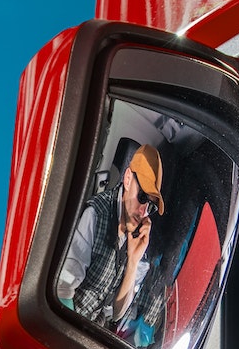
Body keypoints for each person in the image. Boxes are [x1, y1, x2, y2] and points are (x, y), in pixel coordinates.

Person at [56, 141, 165, 331]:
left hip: (97, 330)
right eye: (142, 198)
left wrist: (133, 261)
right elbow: (63, 289)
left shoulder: (136, 238)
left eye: (151, 206)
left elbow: (116, 313)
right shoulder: (95, 214)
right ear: (128, 178)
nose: (143, 211)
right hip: (72, 322)